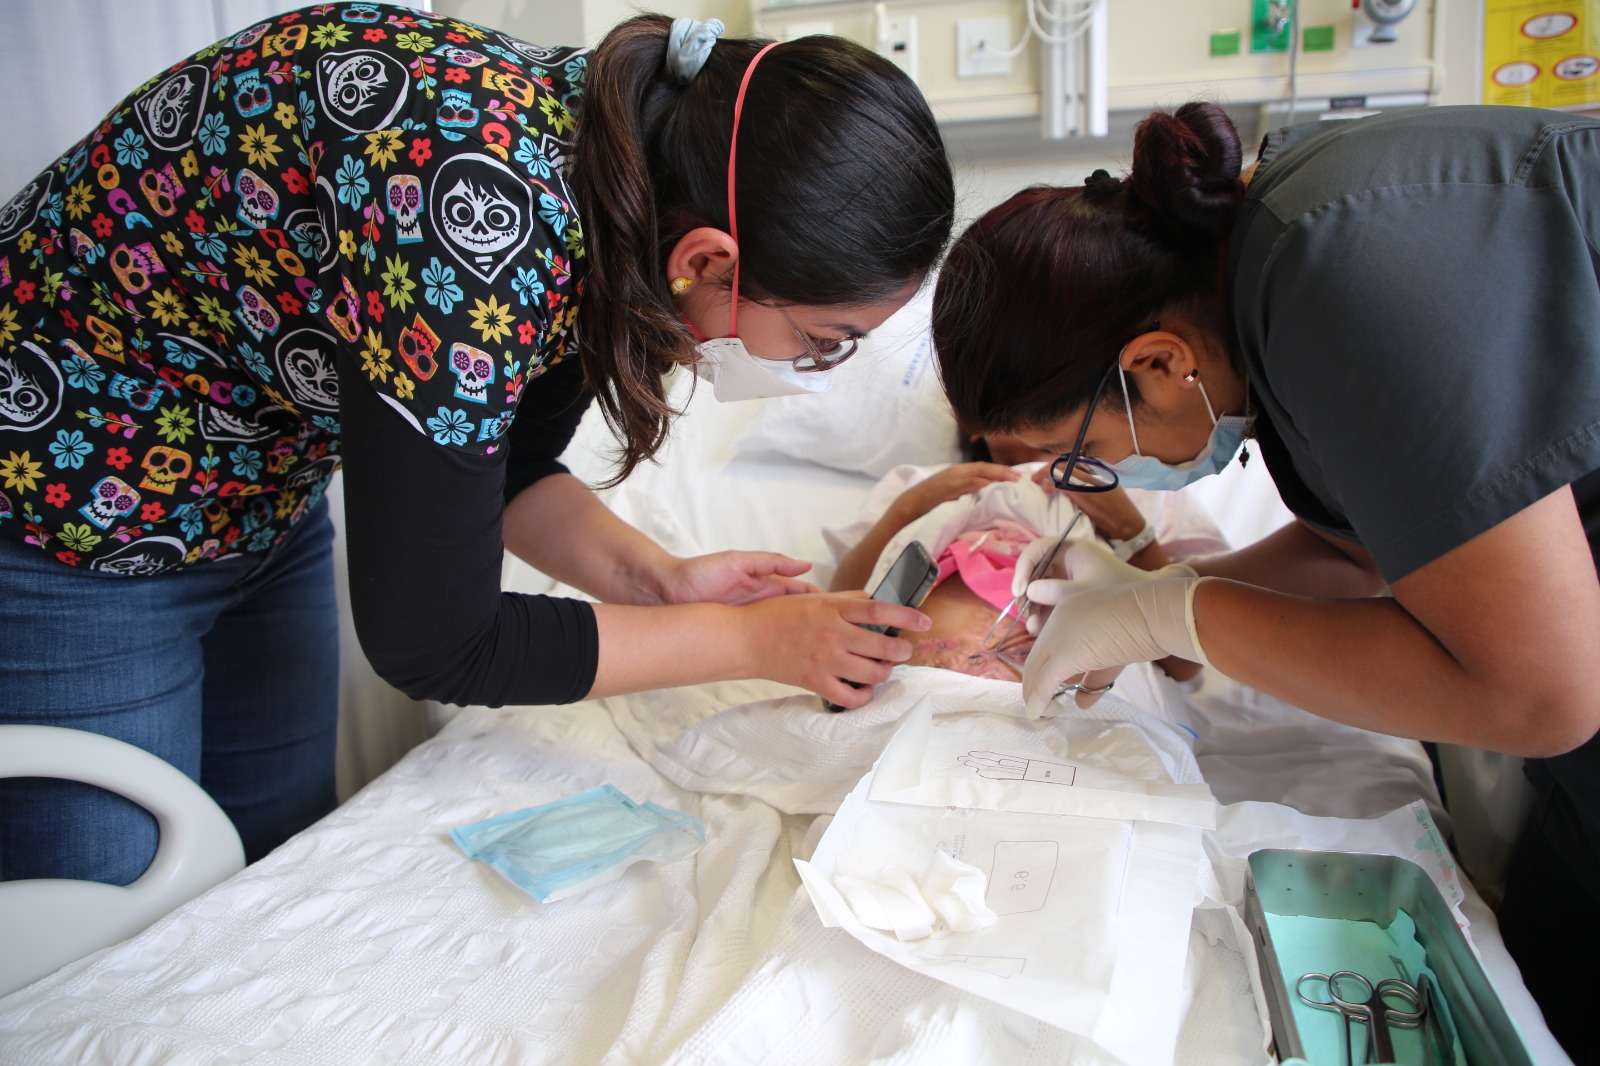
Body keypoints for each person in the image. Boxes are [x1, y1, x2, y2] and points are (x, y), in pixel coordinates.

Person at [0, 4, 954, 884]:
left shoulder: (625, 184)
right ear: (707, 259)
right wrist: (749, 640)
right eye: (826, 341)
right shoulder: (480, 230)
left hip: (257, 484)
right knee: (106, 911)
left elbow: (513, 472)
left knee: (267, 861)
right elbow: (435, 641)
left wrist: (659, 582)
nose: (817, 366)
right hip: (69, 493)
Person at [930, 100, 1600, 1057]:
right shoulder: (1276, 272)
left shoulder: (1344, 276)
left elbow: (1545, 695)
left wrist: (1176, 607)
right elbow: (1360, 549)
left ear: (1155, 363)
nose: (1097, 484)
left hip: (1571, 658)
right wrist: (1142, 610)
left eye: (1078, 457)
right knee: (1559, 952)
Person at [827, 432, 1222, 682]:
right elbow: (838, 610)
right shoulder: (917, 488)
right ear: (974, 420)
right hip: (911, 705)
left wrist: (1129, 531)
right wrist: (908, 509)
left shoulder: (1140, 495)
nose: (1043, 423)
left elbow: (1184, 665)